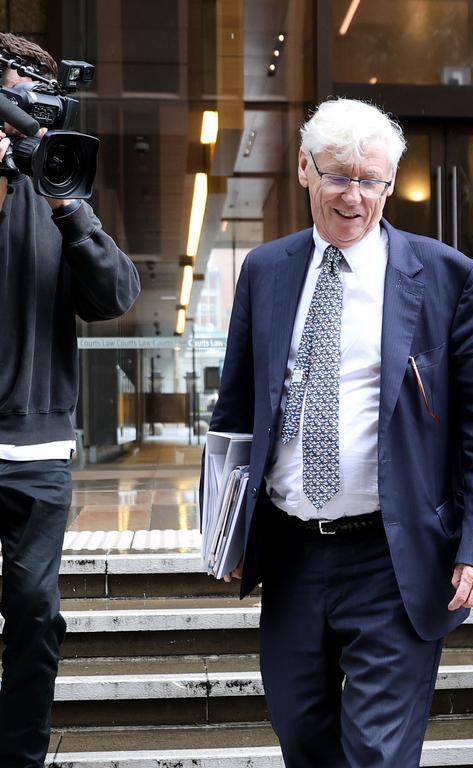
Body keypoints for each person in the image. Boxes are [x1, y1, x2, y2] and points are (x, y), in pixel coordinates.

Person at [209, 97, 473, 767]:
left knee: (377, 754)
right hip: (291, 554)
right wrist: (225, 525)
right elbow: (234, 414)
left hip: (393, 554)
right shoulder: (264, 272)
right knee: (304, 741)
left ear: (389, 182)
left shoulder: (447, 279)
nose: (353, 196)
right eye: (338, 176)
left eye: (370, 180)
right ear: (303, 169)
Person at [0, 32, 140, 767]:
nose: (24, 125)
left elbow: (115, 294)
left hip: (36, 452)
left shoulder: (57, 188)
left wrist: (67, 203)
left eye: (35, 110)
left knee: (32, 613)